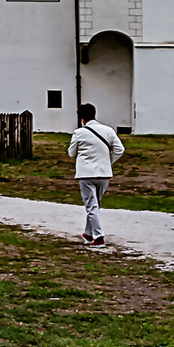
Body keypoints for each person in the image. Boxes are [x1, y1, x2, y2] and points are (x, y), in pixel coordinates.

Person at [68, 102, 125, 247]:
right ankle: (88, 233)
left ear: (82, 119)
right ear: (95, 114)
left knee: (91, 206)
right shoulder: (108, 130)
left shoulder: (79, 133)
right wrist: (108, 162)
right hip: (104, 174)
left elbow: (71, 153)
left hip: (86, 174)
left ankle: (98, 236)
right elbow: (119, 149)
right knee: (95, 205)